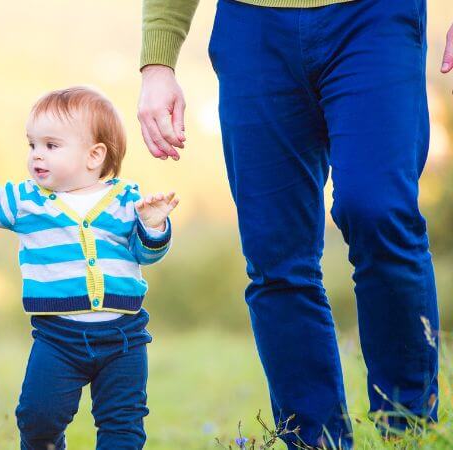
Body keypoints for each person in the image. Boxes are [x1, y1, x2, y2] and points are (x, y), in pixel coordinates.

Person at [138, 0, 447, 448]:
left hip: (374, 19)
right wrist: (157, 62)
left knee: (380, 212)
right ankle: (315, 442)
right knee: (274, 255)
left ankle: (410, 434)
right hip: (253, 29)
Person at [0, 86, 178, 449]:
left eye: (51, 146)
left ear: (94, 156)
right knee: (37, 418)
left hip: (124, 337)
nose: (36, 156)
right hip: (58, 339)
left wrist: (153, 228)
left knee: (123, 425)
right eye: (32, 145)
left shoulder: (126, 200)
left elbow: (146, 255)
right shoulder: (26, 200)